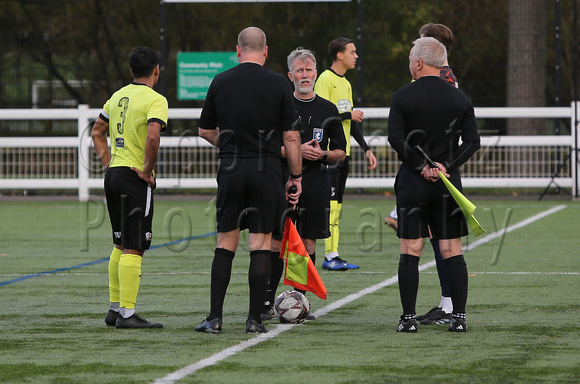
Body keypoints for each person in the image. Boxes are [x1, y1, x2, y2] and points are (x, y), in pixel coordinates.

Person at [195, 27, 302, 335]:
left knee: (225, 244)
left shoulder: (220, 81)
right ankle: (254, 320)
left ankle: (214, 318)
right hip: (266, 170)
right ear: (265, 51)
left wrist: (230, 147)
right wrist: (295, 176)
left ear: (237, 51)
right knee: (261, 245)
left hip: (231, 169)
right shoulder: (280, 83)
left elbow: (204, 130)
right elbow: (292, 136)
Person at [387, 37, 480, 333]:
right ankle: (459, 319)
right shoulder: (459, 98)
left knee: (410, 251)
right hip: (447, 186)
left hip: (412, 184)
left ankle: (408, 320)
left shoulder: (402, 96)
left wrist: (420, 166)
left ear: (418, 62)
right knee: (452, 251)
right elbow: (473, 141)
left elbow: (395, 139)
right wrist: (446, 166)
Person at [261, 48, 347, 320]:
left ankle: (298, 303)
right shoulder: (279, 105)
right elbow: (269, 145)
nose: (305, 75)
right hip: (283, 180)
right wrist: (294, 152)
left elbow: (341, 151)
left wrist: (321, 154)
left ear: (316, 73)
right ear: (290, 75)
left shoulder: (328, 108)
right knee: (277, 240)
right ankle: (265, 302)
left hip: (317, 182)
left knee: (308, 241)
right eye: (299, 70)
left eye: (309, 70)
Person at [91, 46, 167, 329]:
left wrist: (108, 162)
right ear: (156, 70)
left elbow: (97, 131)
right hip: (135, 178)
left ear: (131, 71)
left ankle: (114, 309)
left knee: (120, 242)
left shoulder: (117, 96)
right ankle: (127, 314)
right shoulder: (156, 100)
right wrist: (147, 171)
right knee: (134, 246)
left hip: (113, 176)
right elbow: (153, 138)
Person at [314, 37, 377, 271]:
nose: (356, 55)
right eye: (352, 51)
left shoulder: (346, 83)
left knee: (337, 206)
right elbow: (320, 116)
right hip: (329, 155)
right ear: (339, 55)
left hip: (344, 154)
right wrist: (349, 115)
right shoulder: (325, 79)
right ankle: (328, 255)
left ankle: (333, 254)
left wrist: (366, 148)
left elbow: (351, 121)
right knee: (329, 205)